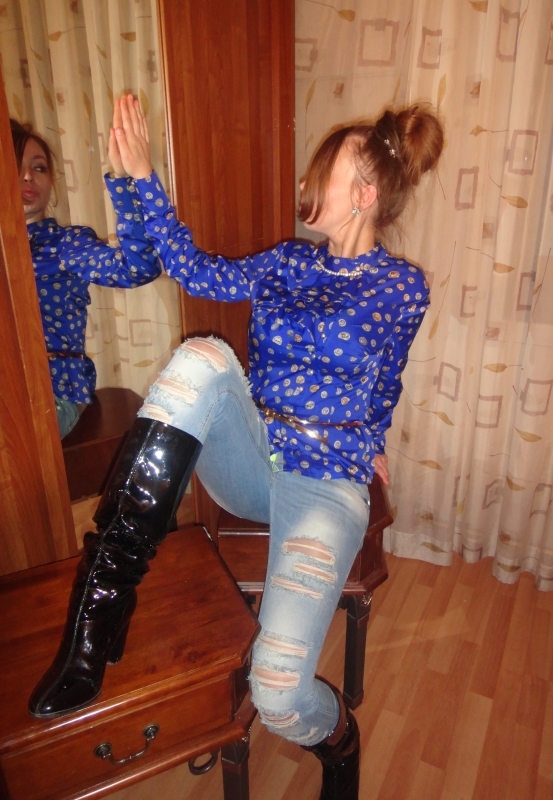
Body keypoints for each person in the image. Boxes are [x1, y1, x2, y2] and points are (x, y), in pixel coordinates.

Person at [29, 95, 443, 800]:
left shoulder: (403, 288)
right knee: (203, 358)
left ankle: (340, 740)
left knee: (278, 694)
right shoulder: (287, 261)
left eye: (323, 173)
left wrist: (373, 441)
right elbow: (194, 270)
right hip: (254, 456)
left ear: (365, 195)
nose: (306, 183)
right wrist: (140, 178)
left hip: (326, 486)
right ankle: (99, 610)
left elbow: (386, 380)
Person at [11, 116, 162, 439]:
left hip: (51, 395)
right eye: (14, 166)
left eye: (39, 167)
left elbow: (139, 268)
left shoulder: (65, 245)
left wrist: (121, 179)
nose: (27, 176)